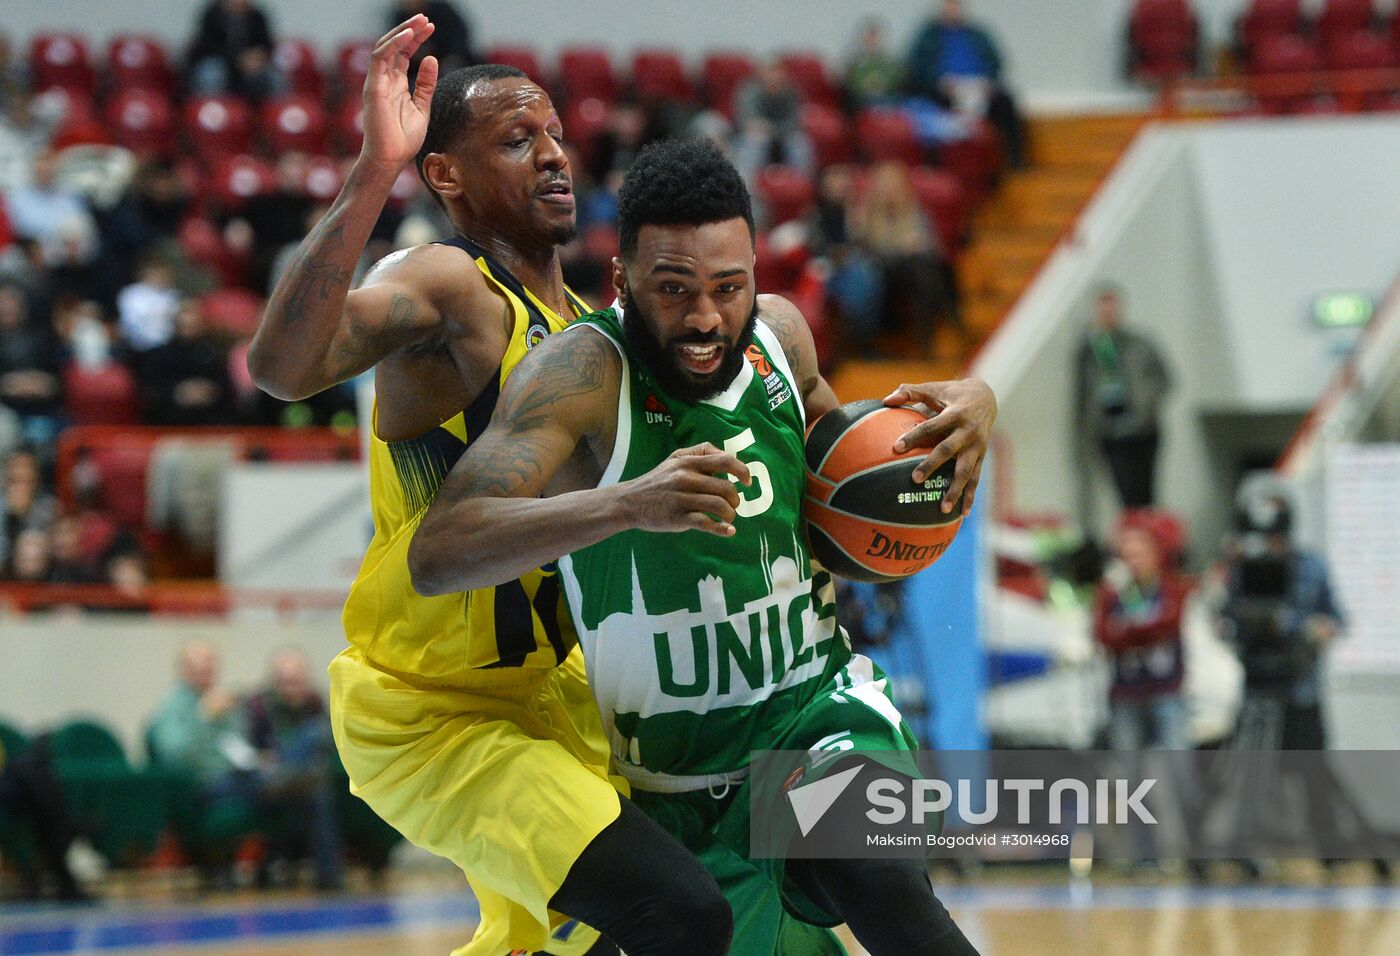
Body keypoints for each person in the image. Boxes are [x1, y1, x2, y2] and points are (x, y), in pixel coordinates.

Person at [410, 137, 995, 956]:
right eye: (674, 289)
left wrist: (968, 411)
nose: (705, 318)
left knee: (873, 868)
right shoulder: (580, 375)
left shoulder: (782, 343)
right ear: (623, 281)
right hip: (674, 790)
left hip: (812, 718)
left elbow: (857, 468)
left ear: (757, 271)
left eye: (729, 287)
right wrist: (624, 505)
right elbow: (439, 552)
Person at [248, 16, 732, 956]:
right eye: (517, 141)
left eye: (555, 136)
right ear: (446, 175)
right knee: (676, 911)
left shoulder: (593, 325)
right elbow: (281, 366)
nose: (553, 157)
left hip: (555, 690)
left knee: (601, 925)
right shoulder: (447, 284)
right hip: (434, 705)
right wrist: (370, 172)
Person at [244, 648, 345, 890]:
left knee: (318, 788)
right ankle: (330, 878)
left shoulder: (315, 703)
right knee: (314, 736)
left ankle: (329, 881)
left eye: (296, 681)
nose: (291, 687)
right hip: (265, 781)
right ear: (274, 682)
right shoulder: (258, 706)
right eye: (285, 682)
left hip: (299, 781)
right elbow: (251, 749)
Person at [1094, 513, 1191, 750]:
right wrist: (1143, 632)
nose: (1134, 562)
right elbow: (1105, 637)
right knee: (1126, 770)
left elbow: (1168, 625)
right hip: (1125, 692)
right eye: (1128, 556)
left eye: (1140, 554)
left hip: (1165, 690)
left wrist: (1129, 630)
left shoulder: (1171, 588)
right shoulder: (1112, 592)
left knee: (1177, 762)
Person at [1073, 283, 1172, 509]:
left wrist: (1146, 405)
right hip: (1108, 427)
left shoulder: (1139, 343)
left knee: (1146, 489)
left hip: (1142, 426)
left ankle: (1148, 533)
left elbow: (1164, 379)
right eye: (1103, 308)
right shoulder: (1090, 348)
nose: (1107, 313)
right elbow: (1082, 393)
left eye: (1112, 307)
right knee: (1123, 490)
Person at [906, 0, 1027, 169]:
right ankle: (938, 165)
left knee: (1005, 102)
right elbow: (917, 68)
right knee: (931, 109)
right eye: (949, 5)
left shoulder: (978, 33)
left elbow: (996, 62)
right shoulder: (929, 36)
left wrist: (987, 83)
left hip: (979, 87)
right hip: (944, 90)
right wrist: (940, 83)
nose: (953, 9)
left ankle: (1014, 160)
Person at [186, 0, 282, 100]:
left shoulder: (257, 16)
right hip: (221, 62)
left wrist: (258, 57)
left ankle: (273, 113)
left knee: (276, 78)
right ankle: (215, 110)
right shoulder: (211, 15)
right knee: (211, 73)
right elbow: (207, 47)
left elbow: (266, 45)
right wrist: (239, 59)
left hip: (251, 66)